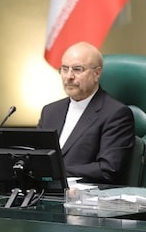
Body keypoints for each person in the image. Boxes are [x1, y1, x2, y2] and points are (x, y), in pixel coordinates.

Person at [37, 41, 135, 184]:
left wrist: (57, 171)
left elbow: (108, 169)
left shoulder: (116, 114)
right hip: (42, 193)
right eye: (64, 69)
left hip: (86, 198)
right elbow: (36, 156)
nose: (69, 76)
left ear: (97, 73)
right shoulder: (50, 111)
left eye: (77, 69)